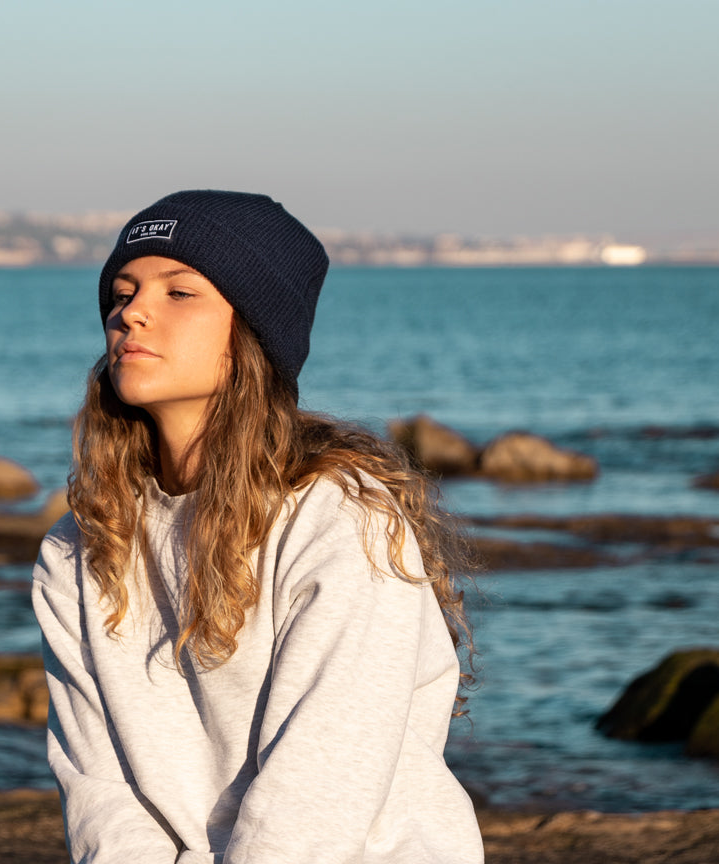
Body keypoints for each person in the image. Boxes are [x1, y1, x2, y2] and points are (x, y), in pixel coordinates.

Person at [32, 190, 483, 863]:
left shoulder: (341, 520)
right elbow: (102, 795)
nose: (133, 312)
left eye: (180, 292)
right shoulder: (79, 546)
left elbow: (316, 799)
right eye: (121, 292)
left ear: (252, 335)